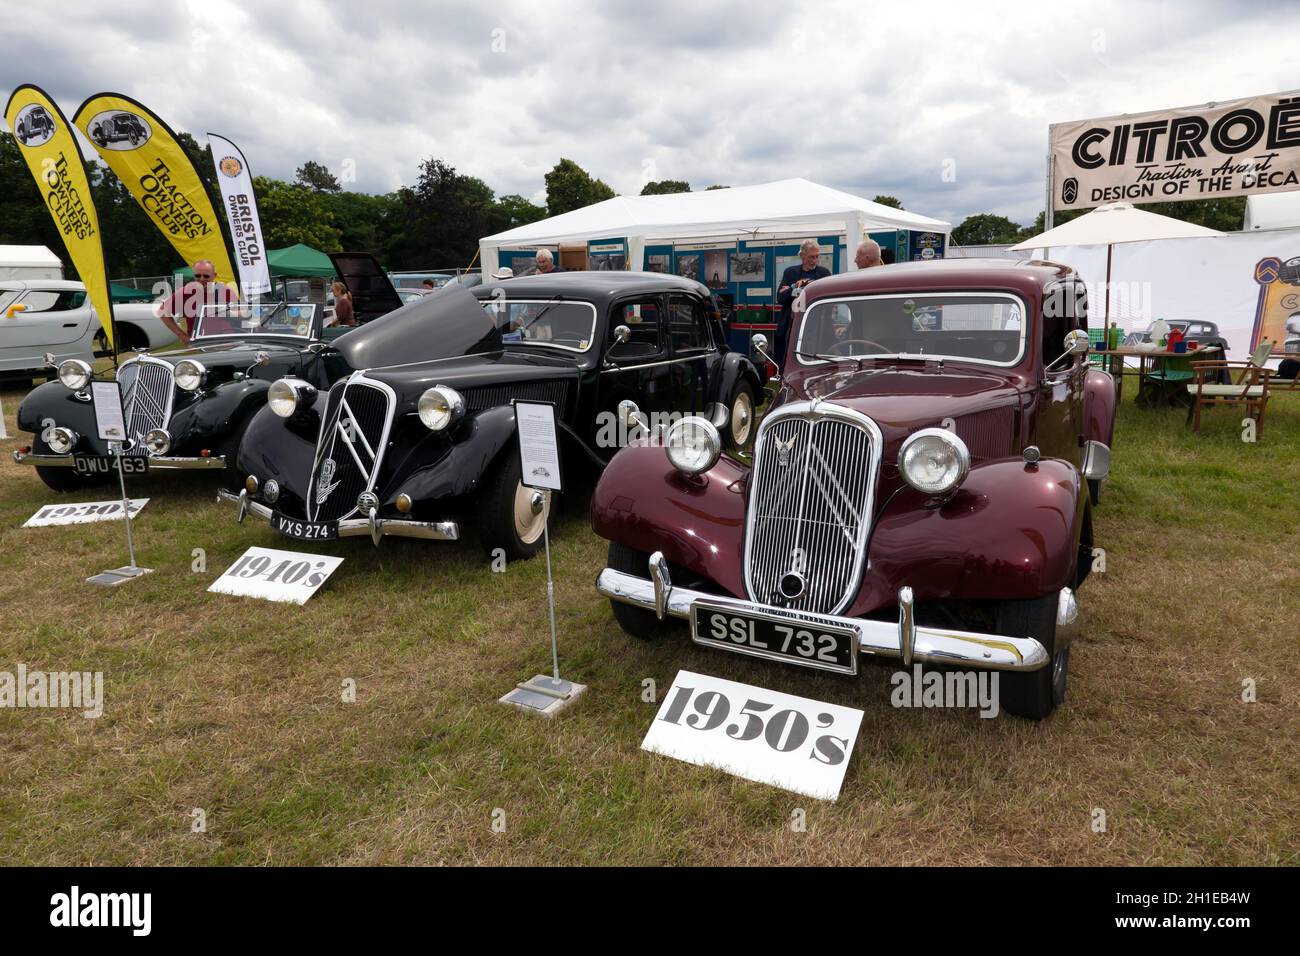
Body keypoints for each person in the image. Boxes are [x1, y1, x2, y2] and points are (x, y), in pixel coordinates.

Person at [775, 239, 830, 367]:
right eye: (811, 257)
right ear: (802, 256)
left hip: (816, 326)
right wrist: (795, 288)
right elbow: (780, 297)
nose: (814, 260)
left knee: (813, 361)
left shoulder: (824, 273)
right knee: (790, 360)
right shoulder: (790, 273)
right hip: (793, 324)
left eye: (817, 257)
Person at [159, 259, 236, 345]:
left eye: (206, 276)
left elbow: (243, 313)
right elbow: (162, 312)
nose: (202, 279)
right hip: (199, 344)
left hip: (227, 341)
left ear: (214, 276)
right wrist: (181, 335)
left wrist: (228, 312)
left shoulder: (225, 290)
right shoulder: (186, 291)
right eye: (198, 276)